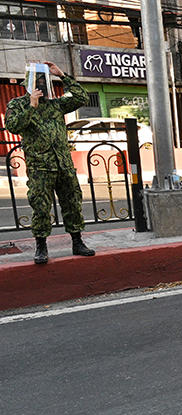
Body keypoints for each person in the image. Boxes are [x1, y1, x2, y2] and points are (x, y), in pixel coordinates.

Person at [6, 61, 94, 264]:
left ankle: (77, 242)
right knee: (41, 207)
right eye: (37, 83)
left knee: (72, 203)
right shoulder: (17, 104)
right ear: (28, 84)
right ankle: (41, 246)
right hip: (40, 167)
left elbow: (82, 97)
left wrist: (62, 75)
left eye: (44, 82)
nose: (42, 87)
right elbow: (13, 126)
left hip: (63, 163)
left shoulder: (56, 104)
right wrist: (31, 106)